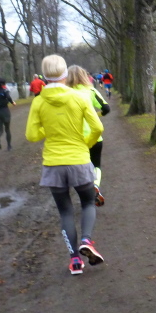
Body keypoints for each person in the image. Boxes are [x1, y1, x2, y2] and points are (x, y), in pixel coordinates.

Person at [26, 55, 105, 276]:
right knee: (88, 202)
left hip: (53, 164)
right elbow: (98, 128)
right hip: (78, 159)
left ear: (44, 76)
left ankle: (75, 261)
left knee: (65, 211)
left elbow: (32, 135)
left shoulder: (39, 101)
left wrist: (50, 130)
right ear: (65, 74)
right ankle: (86, 240)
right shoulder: (79, 97)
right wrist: (85, 143)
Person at [66, 65, 111, 207]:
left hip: (74, 139)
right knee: (96, 164)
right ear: (84, 76)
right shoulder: (91, 91)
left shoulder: (65, 94)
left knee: (78, 168)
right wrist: (95, 116)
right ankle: (95, 185)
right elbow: (106, 108)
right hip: (94, 136)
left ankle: (84, 195)